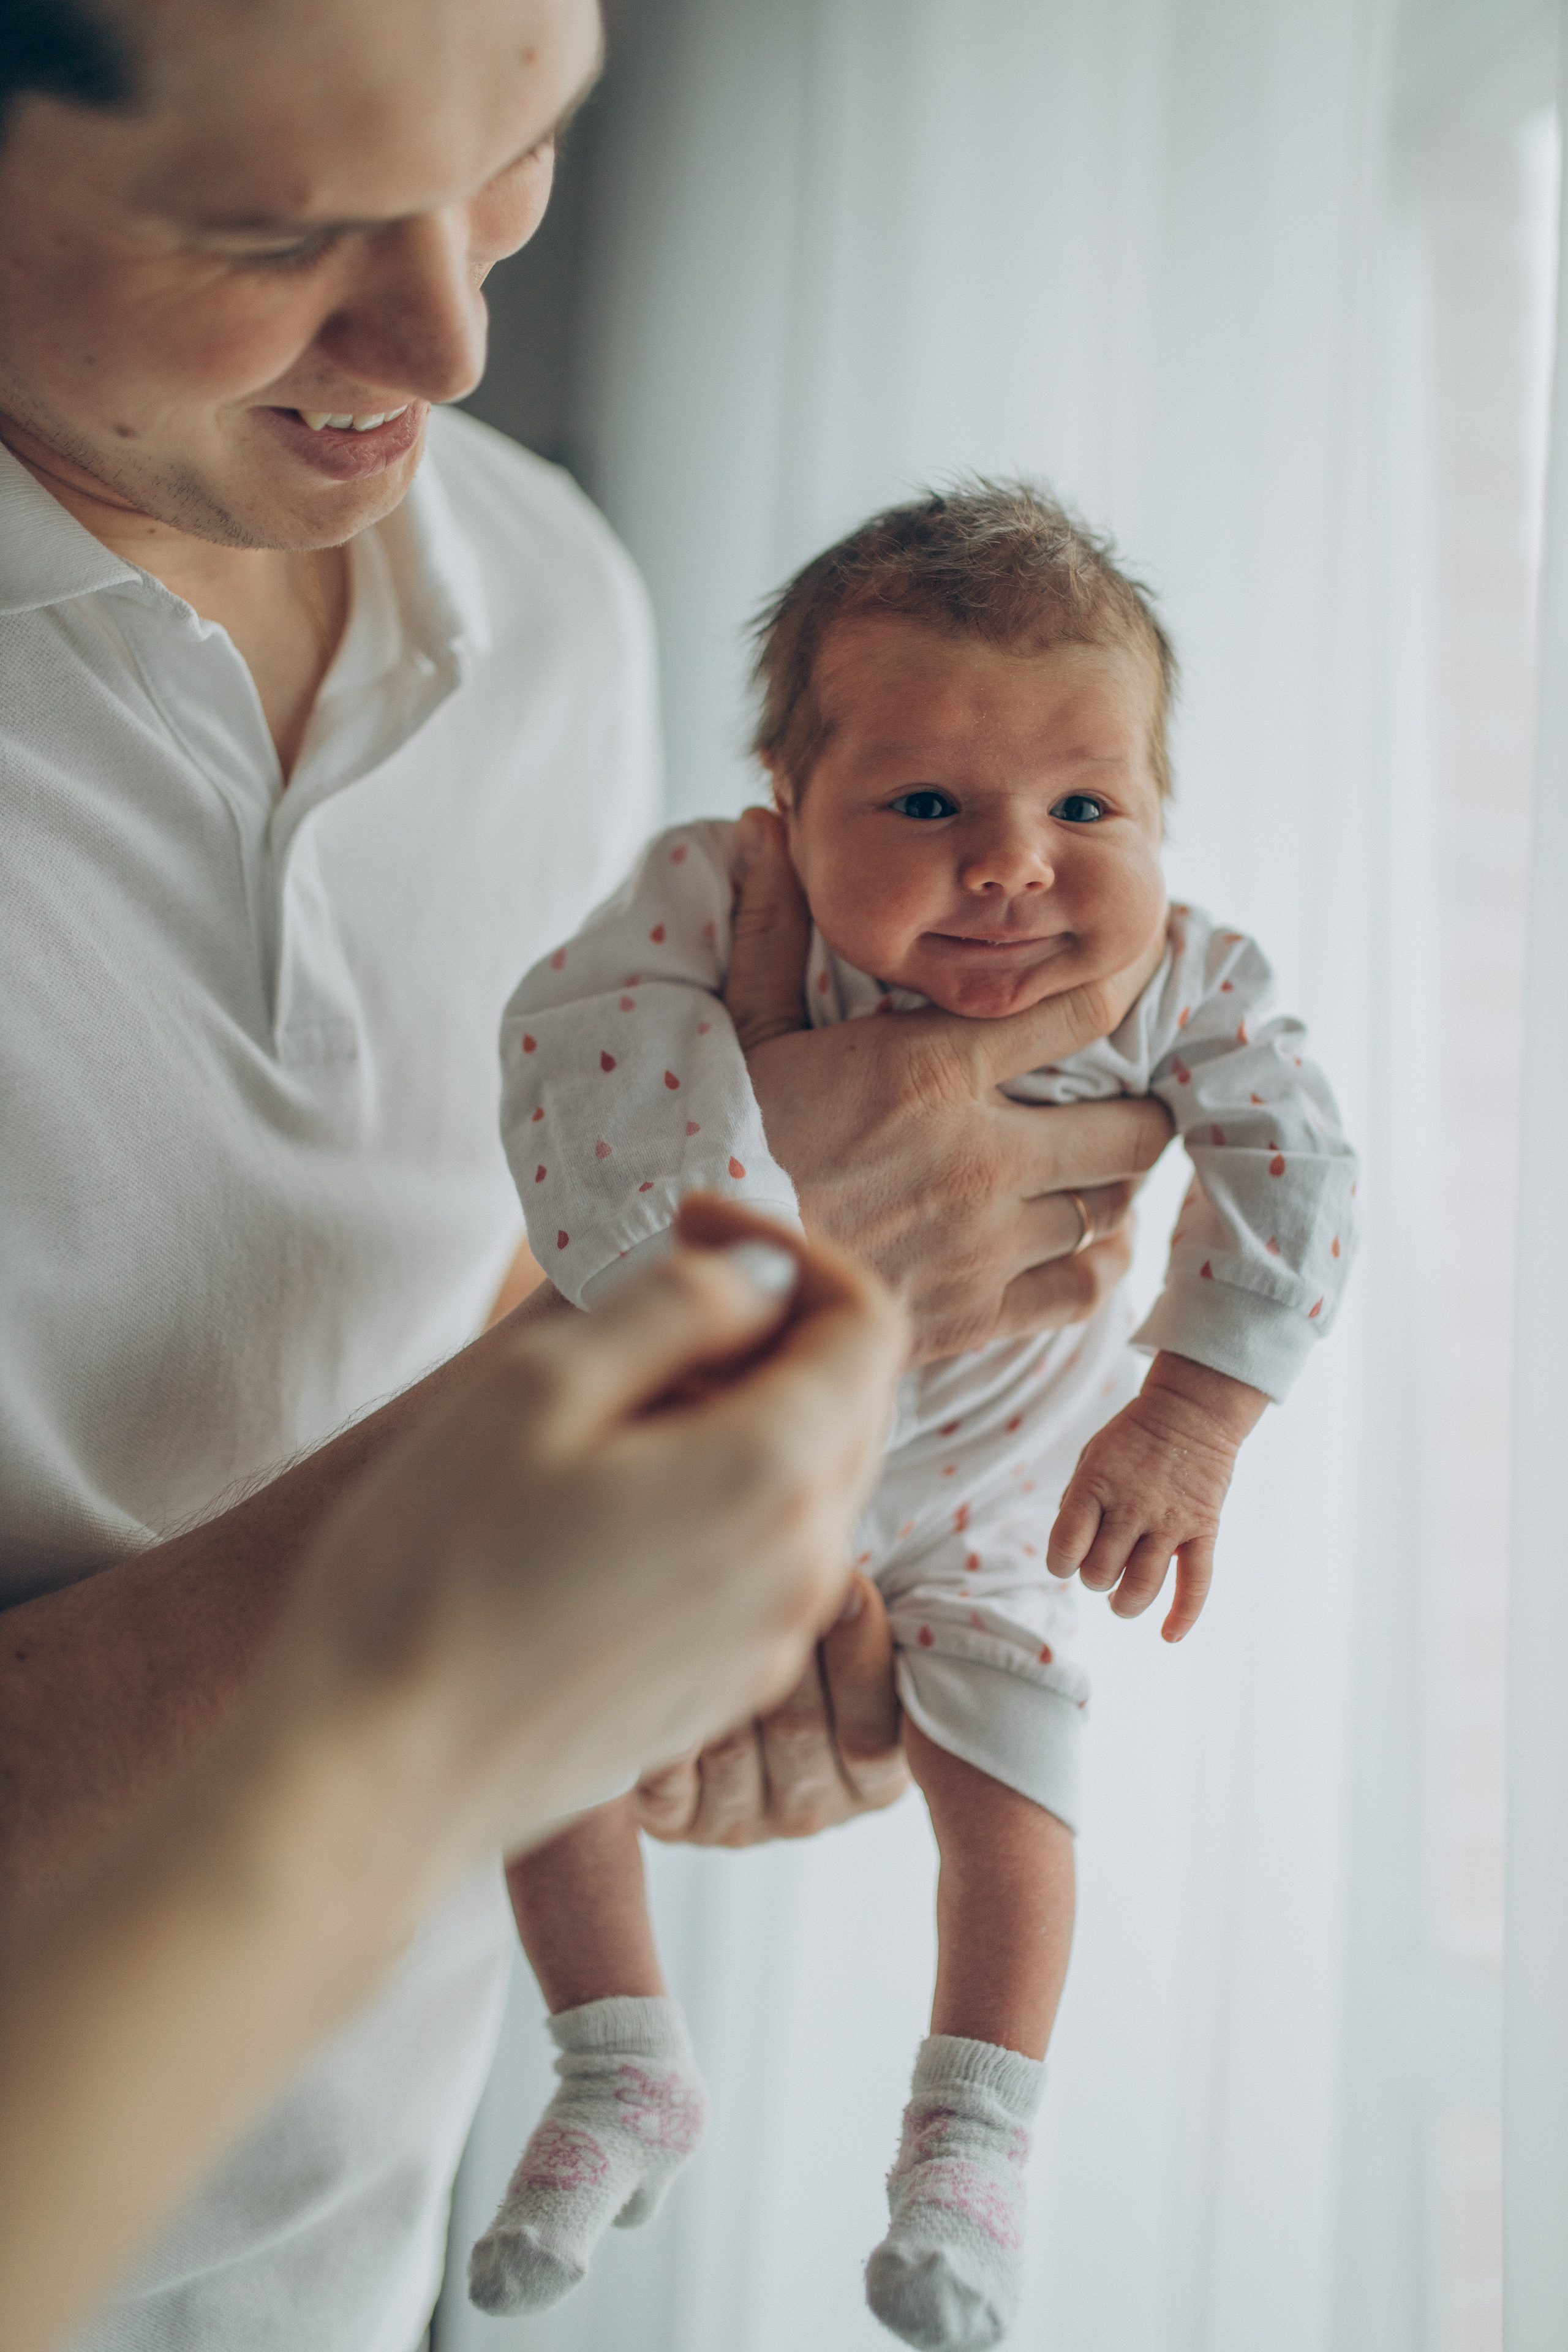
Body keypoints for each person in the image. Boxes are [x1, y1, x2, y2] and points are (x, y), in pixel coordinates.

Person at [0, 5, 1169, 2346]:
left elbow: (477, 1324)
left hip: (370, 2262)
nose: (451, 336)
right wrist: (747, 1281)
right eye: (280, 227)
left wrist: (691, 1606)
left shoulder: (551, 603)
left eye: (520, 154)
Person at [476, 481, 1359, 2348]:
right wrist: (743, 1248)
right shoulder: (716, 911)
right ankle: (620, 2057)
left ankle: (971, 2155)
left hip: (973, 1507)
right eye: (930, 806)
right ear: (785, 813)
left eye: (1086, 807)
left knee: (1018, 1806)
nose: (1018, 865)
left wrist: (1191, 1417)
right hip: (699, 1440)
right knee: (524, 1712)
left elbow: (1300, 1166)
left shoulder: (1180, 980)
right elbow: (574, 1054)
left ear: (1158, 814)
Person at [0, 1204, 908, 2352]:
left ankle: (633, 2056)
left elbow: (490, 1277)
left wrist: (707, 1597)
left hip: (360, 2289)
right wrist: (401, 1706)